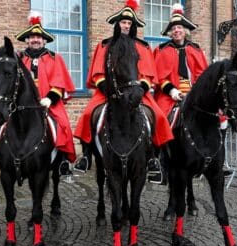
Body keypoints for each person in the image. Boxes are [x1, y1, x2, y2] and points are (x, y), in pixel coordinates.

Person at [73, 0, 174, 173]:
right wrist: (110, 90)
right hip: (108, 92)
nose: (126, 26)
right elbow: (97, 74)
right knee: (88, 114)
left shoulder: (142, 47)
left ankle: (153, 158)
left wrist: (140, 90)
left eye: (129, 23)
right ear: (118, 24)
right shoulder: (105, 45)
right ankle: (87, 156)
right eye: (123, 22)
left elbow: (148, 75)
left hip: (137, 92)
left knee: (159, 117)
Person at [0, 11, 76, 176]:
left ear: (44, 40)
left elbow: (59, 84)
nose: (35, 40)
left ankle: (64, 160)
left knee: (62, 125)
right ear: (27, 40)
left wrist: (49, 99)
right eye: (32, 37)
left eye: (38, 37)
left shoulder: (55, 58)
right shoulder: (18, 58)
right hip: (21, 104)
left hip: (47, 103)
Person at [151, 3, 208, 183]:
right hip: (169, 96)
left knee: (217, 117)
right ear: (170, 32)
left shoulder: (196, 49)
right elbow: (160, 77)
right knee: (159, 118)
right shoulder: (162, 50)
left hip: (194, 95)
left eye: (180, 28)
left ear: (185, 31)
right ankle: (157, 161)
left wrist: (195, 93)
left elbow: (202, 76)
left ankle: (216, 160)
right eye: (174, 28)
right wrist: (173, 91)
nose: (177, 31)